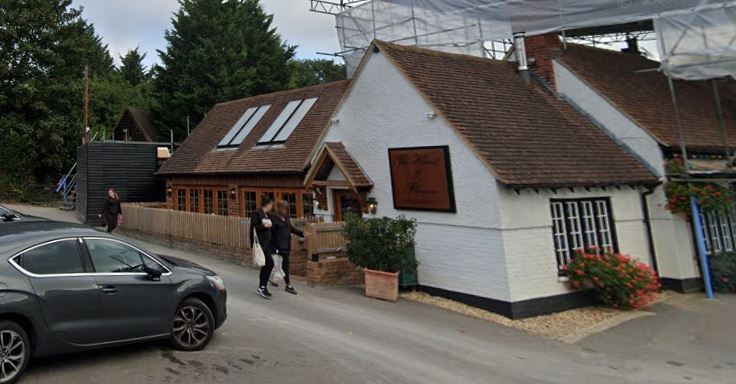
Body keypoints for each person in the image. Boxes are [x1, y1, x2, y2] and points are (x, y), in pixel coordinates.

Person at [269, 201, 304, 295]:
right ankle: (288, 285)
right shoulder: (273, 219)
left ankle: (275, 280)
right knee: (279, 266)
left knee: (283, 266)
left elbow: (291, 229)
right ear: (279, 209)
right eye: (283, 208)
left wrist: (302, 233)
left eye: (286, 209)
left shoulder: (286, 218)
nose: (285, 210)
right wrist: (273, 246)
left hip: (286, 246)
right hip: (277, 246)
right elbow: (270, 234)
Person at [250, 197, 275, 299]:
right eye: (271, 204)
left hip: (267, 243)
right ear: (268, 204)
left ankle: (263, 286)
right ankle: (262, 287)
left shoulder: (267, 214)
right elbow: (254, 227)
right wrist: (265, 226)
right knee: (269, 263)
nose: (272, 206)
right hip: (261, 244)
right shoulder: (257, 213)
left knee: (268, 265)